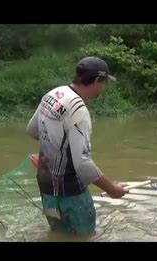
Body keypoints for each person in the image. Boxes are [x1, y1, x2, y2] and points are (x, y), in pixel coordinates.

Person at [25, 56, 128, 235]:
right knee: (86, 238)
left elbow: (33, 130)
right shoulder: (78, 110)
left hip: (46, 188)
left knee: (60, 236)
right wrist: (112, 189)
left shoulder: (53, 94)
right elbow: (82, 163)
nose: (103, 89)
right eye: (104, 83)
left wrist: (50, 157)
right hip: (71, 195)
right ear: (97, 80)